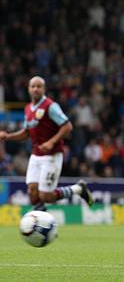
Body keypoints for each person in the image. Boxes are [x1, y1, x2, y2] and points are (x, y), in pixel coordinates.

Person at [0, 76, 93, 212]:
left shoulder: (50, 106)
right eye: (33, 86)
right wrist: (8, 136)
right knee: (32, 192)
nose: (36, 89)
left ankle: (78, 189)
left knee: (45, 196)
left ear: (44, 89)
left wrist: (51, 142)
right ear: (29, 89)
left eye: (39, 86)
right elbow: (27, 133)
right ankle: (42, 227)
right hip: (36, 155)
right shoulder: (27, 109)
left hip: (52, 155)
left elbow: (67, 126)